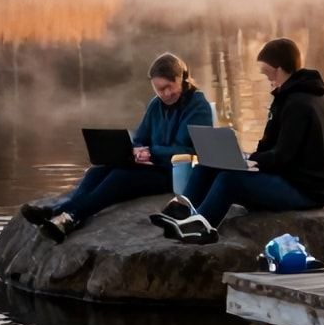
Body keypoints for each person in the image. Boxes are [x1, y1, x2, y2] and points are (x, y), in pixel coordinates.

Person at [155, 38, 324, 244]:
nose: (264, 75)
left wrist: (252, 163)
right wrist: (245, 159)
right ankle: (181, 211)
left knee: (230, 180)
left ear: (277, 69)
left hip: (306, 190)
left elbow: (283, 156)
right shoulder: (292, 98)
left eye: (266, 71)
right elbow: (271, 147)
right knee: (210, 162)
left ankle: (201, 227)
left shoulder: (299, 105)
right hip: (289, 177)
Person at [23, 53, 215, 243]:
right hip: (150, 166)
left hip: (173, 174)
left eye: (168, 87)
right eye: (159, 89)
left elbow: (195, 152)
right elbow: (140, 138)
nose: (165, 94)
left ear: (181, 78)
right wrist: (137, 150)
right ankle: (58, 212)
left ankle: (70, 217)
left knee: (119, 178)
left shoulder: (198, 106)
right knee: (97, 172)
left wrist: (152, 152)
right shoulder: (155, 105)